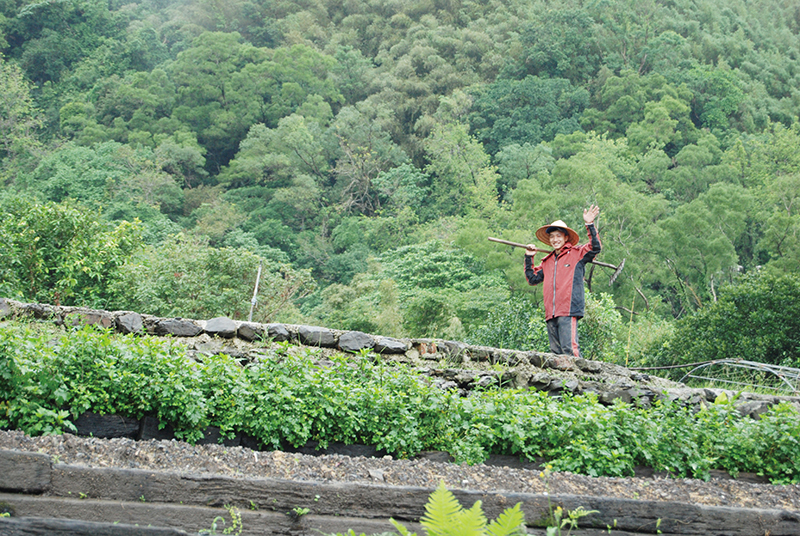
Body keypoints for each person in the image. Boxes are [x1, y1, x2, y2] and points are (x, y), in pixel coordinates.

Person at [524, 205, 601, 357]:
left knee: (569, 350)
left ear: (565, 238)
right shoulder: (547, 261)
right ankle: (561, 381)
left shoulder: (577, 254)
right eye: (552, 236)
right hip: (551, 312)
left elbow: (595, 247)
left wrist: (589, 225)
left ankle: (578, 379)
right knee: (555, 354)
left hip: (568, 308)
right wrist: (529, 257)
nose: (555, 239)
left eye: (558, 236)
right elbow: (532, 279)